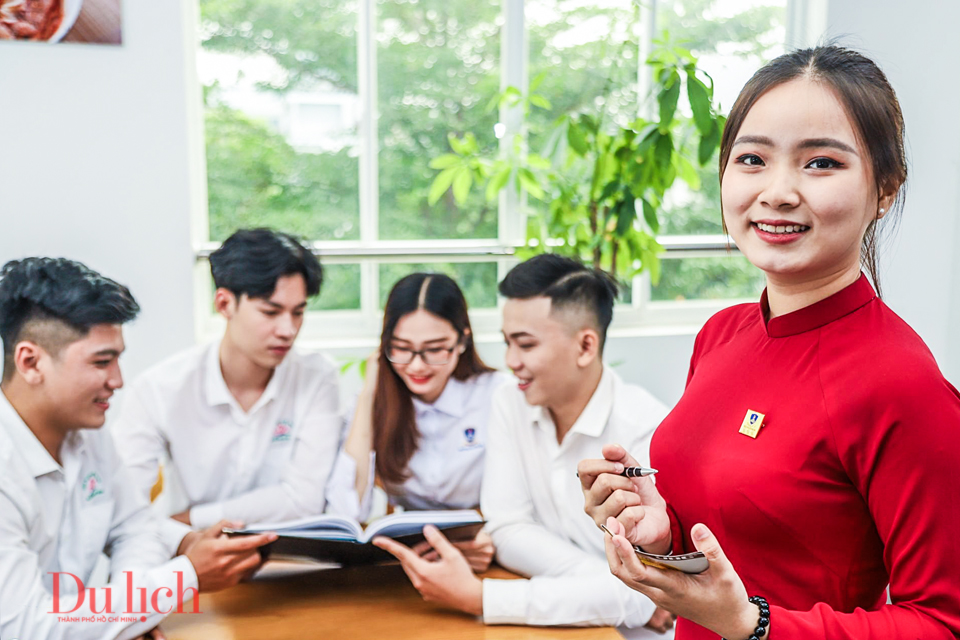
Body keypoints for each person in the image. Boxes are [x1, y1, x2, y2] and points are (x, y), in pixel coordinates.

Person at [579, 45, 960, 640]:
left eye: (821, 163)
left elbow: (941, 622)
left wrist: (753, 624)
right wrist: (663, 532)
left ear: (885, 188)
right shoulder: (722, 333)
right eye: (752, 158)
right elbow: (741, 542)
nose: (777, 192)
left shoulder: (902, 383)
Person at [374, 255, 675, 638]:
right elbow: (507, 528)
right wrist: (611, 585)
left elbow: (652, 592)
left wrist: (484, 599)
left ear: (585, 346)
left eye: (526, 344)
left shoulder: (647, 430)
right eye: (507, 343)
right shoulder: (510, 402)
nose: (510, 361)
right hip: (549, 629)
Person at [0, 257, 277, 640]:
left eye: (118, 359)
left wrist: (134, 614)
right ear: (31, 363)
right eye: (102, 362)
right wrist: (183, 578)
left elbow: (134, 528)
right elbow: (25, 627)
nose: (118, 380)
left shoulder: (89, 434)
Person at [113, 228, 340, 551]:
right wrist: (184, 538)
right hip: (191, 558)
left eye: (298, 312)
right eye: (271, 312)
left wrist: (190, 519)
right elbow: (124, 510)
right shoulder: (160, 389)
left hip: (289, 563)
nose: (288, 330)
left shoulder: (317, 377)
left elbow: (303, 499)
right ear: (224, 303)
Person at [326, 273, 510, 571]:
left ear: (462, 340)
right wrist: (369, 393)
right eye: (401, 348)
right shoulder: (375, 401)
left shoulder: (498, 394)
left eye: (434, 349)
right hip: (409, 558)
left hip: (484, 551)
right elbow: (346, 513)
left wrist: (495, 538)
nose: (416, 365)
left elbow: (524, 500)